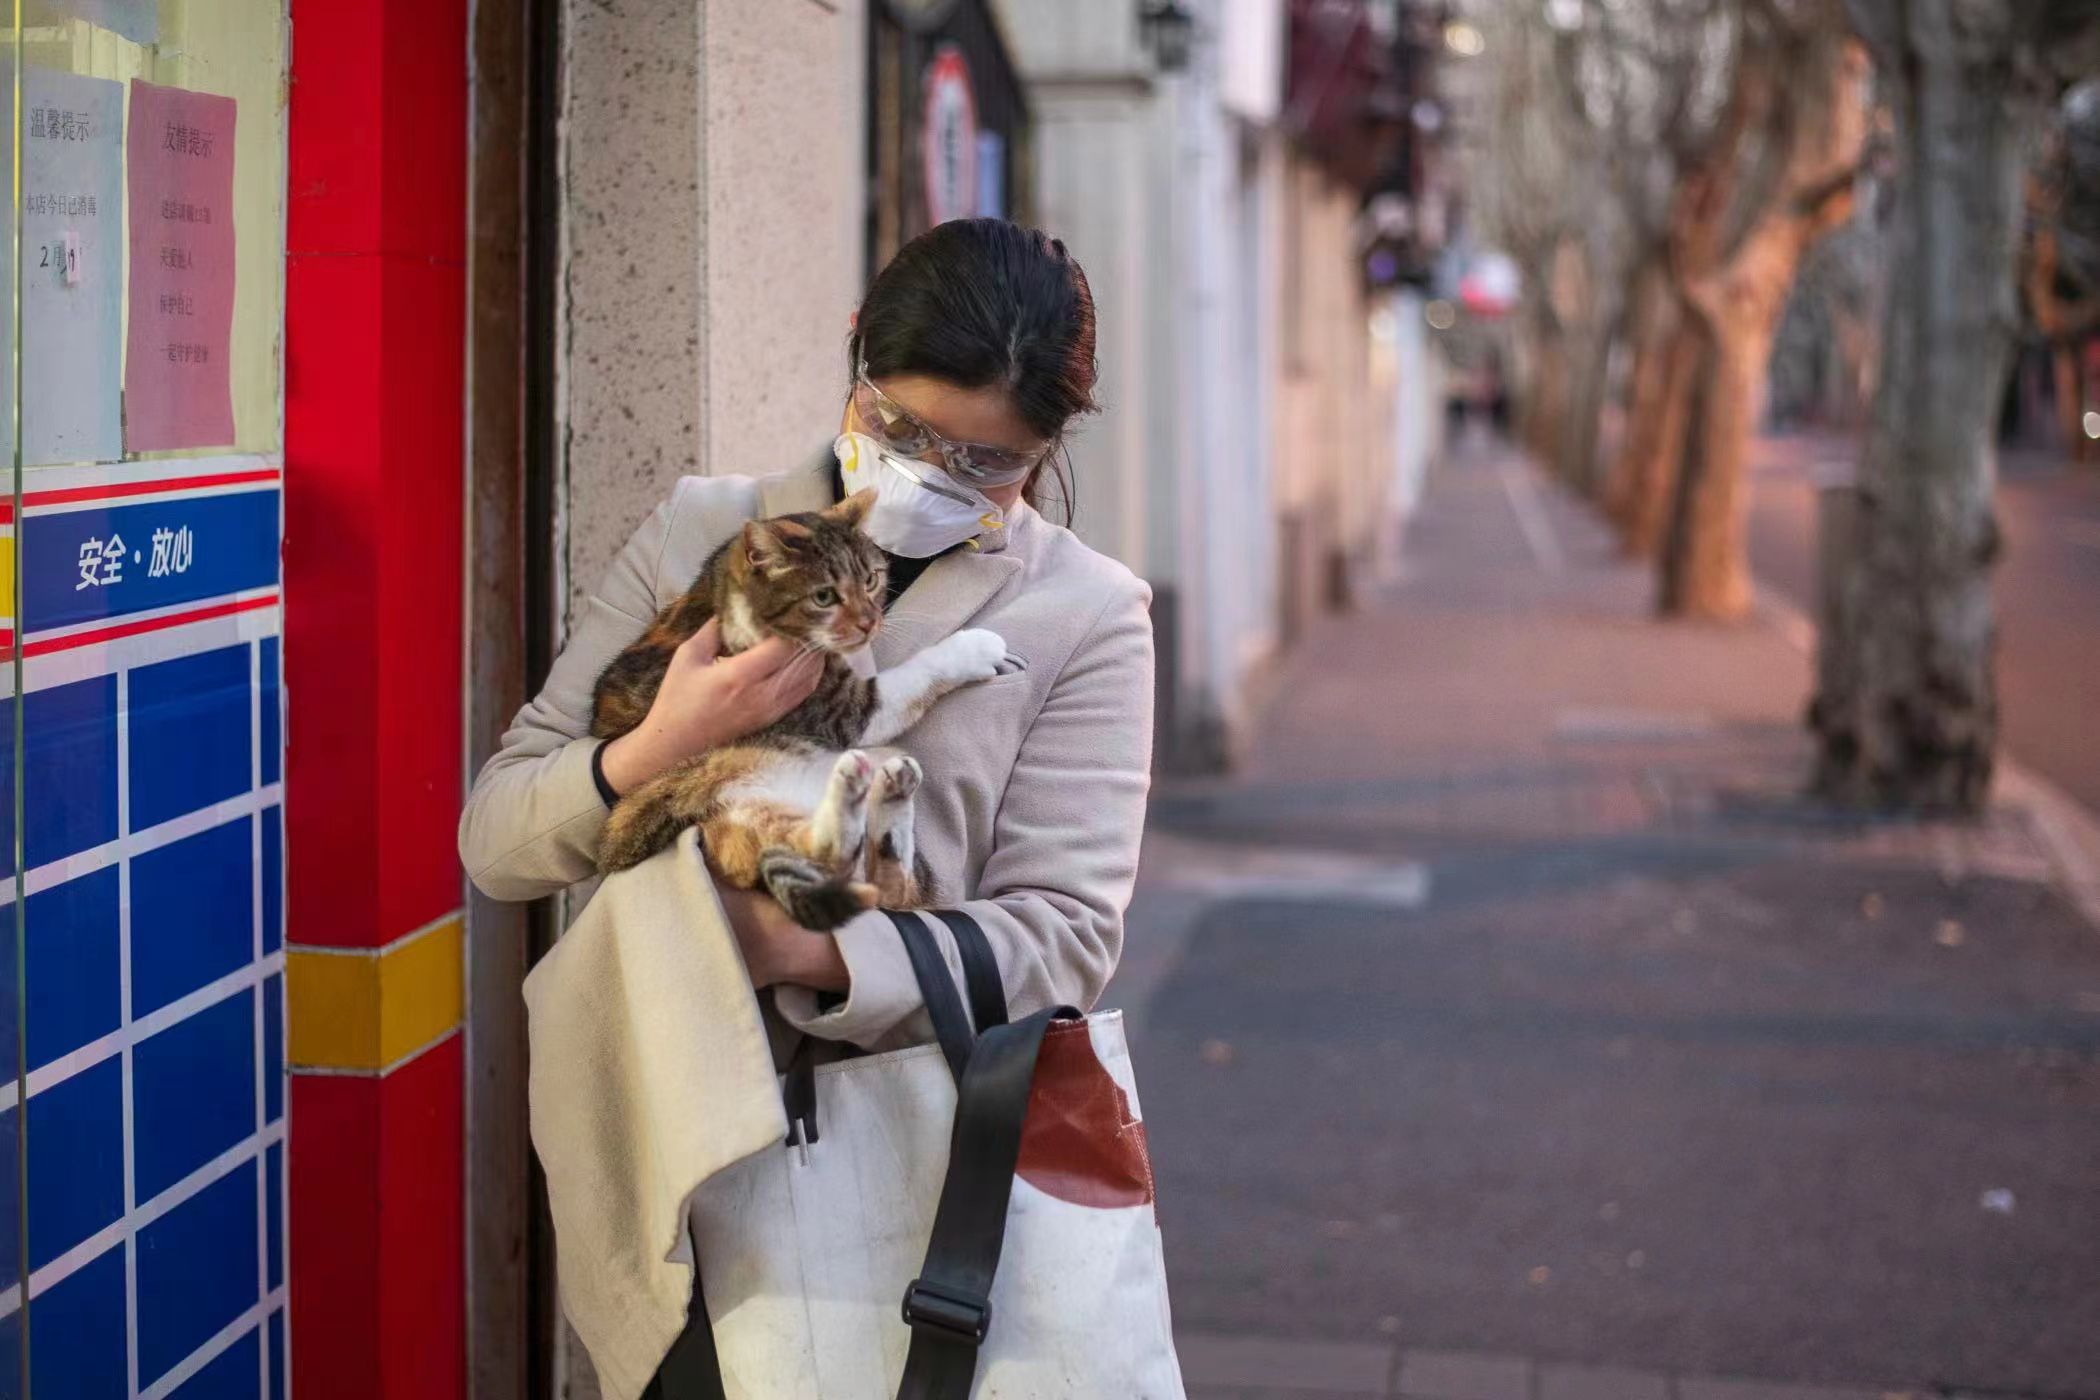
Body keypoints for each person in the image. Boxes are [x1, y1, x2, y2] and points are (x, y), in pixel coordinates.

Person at [459, 215, 1153, 1120]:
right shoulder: (702, 531)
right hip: (655, 1134)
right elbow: (496, 844)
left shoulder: (1088, 612)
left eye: (987, 462)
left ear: (1046, 448)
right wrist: (664, 743)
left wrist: (798, 949)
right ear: (856, 346)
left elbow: (1065, 941)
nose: (926, 474)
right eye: (897, 425)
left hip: (901, 1158)